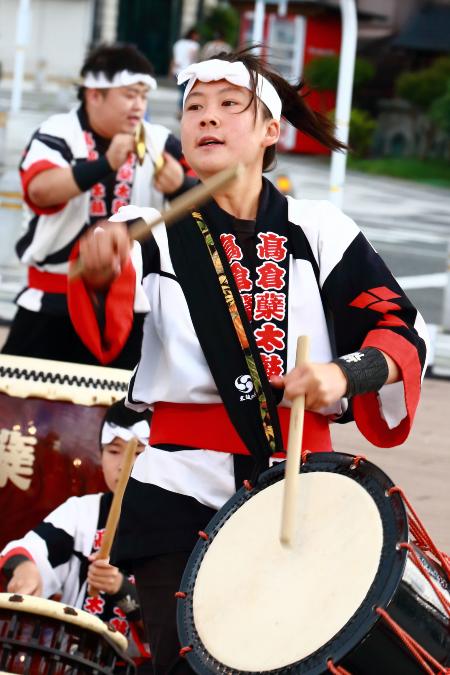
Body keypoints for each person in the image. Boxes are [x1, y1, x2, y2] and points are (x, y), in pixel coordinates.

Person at [74, 49, 428, 673]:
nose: (206, 118)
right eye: (193, 107)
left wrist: (342, 374)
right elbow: (107, 324)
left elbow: (401, 329)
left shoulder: (318, 230)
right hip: (178, 485)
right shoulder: (148, 228)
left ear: (270, 130)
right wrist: (98, 273)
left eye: (229, 106)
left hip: (306, 481)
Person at [2, 43, 196, 370]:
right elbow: (39, 190)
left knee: (124, 416)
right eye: (129, 95)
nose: (139, 106)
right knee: (22, 415)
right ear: (95, 95)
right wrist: (105, 163)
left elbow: (211, 206)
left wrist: (181, 187)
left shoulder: (161, 141)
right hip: (53, 303)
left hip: (134, 306)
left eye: (143, 96)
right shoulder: (57, 134)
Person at [0, 399, 152, 672]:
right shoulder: (82, 513)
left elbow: (175, 626)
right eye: (113, 451)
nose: (122, 465)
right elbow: (32, 548)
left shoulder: (175, 526)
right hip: (74, 661)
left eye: (137, 452)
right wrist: (26, 569)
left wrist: (121, 589)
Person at [171, 28, 200, 113]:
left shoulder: (178, 43)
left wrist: (171, 70)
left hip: (177, 71)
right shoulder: (194, 45)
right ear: (193, 35)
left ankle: (181, 110)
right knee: (186, 92)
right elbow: (193, 58)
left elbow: (174, 58)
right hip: (188, 71)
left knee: (182, 92)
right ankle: (183, 110)